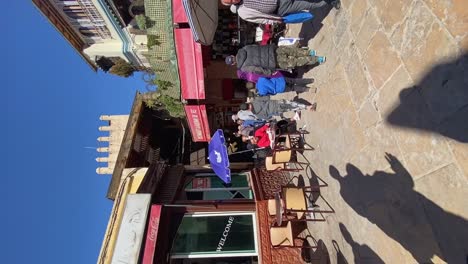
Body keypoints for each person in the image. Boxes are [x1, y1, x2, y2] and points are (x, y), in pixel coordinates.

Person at [225, 45, 325, 76]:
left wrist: (270, 72)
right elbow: (257, 46)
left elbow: (257, 69)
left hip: (273, 62)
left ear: (233, 63)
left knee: (294, 62)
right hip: (272, 49)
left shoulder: (244, 67)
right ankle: (309, 52)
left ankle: (317, 59)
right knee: (291, 51)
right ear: (232, 55)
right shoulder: (244, 48)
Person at [221, 0, 341, 25]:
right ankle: (330, 1)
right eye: (230, 0)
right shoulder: (243, 13)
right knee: (309, 5)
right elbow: (260, 19)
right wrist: (277, 21)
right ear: (231, 4)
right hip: (281, 9)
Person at [240, 96, 317, 120]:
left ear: (247, 109)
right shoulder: (255, 100)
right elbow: (267, 97)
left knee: (291, 108)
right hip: (276, 103)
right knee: (292, 103)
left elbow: (268, 117)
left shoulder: (256, 114)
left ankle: (307, 107)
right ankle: (308, 107)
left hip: (277, 111)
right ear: (247, 103)